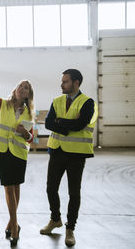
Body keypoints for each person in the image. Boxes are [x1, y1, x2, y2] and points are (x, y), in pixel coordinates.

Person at [40, 69, 98, 247]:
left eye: (65, 81)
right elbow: (48, 123)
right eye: (62, 81)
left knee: (74, 193)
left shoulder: (88, 103)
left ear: (76, 83)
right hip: (57, 150)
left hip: (77, 154)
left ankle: (70, 229)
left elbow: (82, 123)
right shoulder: (56, 101)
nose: (61, 84)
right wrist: (65, 125)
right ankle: (55, 219)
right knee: (51, 189)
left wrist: (59, 121)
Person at [0, 80, 35, 246]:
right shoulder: (4, 104)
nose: (23, 89)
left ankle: (11, 223)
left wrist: (25, 133)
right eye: (21, 86)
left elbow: (31, 138)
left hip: (19, 152)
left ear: (29, 94)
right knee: (8, 187)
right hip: (2, 150)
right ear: (15, 90)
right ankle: (15, 227)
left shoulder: (29, 113)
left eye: (26, 88)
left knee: (16, 187)